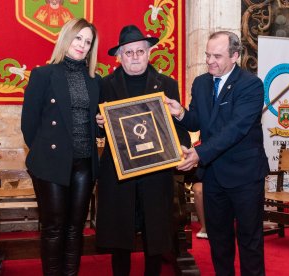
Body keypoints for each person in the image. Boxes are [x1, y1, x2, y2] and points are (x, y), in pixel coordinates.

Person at [165, 31, 269, 275]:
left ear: (234, 56)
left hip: (245, 176)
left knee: (249, 240)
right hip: (213, 176)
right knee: (219, 241)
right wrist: (180, 113)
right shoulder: (201, 83)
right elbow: (198, 122)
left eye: (217, 56)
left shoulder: (251, 85)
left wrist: (200, 153)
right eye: (207, 55)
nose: (210, 61)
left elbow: (236, 129)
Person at [95, 25, 190, 276]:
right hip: (118, 173)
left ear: (149, 53)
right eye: (129, 52)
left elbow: (176, 126)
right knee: (119, 234)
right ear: (120, 56)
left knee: (155, 234)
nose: (135, 56)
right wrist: (98, 124)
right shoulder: (105, 85)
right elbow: (96, 130)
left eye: (140, 51)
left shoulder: (167, 84)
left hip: (156, 172)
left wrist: (182, 147)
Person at [21, 18, 100, 275]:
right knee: (54, 227)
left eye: (88, 42)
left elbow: (96, 127)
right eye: (78, 38)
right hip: (51, 162)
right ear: (67, 37)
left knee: (76, 227)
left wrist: (100, 124)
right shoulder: (43, 74)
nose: (82, 45)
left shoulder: (94, 80)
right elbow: (29, 125)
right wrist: (45, 154)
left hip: (84, 163)